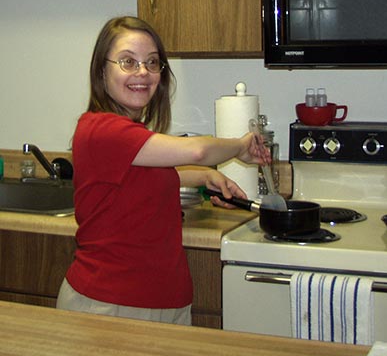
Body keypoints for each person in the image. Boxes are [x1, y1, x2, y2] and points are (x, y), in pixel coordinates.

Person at [56, 16, 269, 326]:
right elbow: (197, 150)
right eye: (128, 62)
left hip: (166, 301)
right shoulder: (99, 128)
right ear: (102, 70)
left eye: (152, 62)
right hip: (108, 306)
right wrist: (240, 145)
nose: (142, 72)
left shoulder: (130, 133)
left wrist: (204, 176)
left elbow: (138, 181)